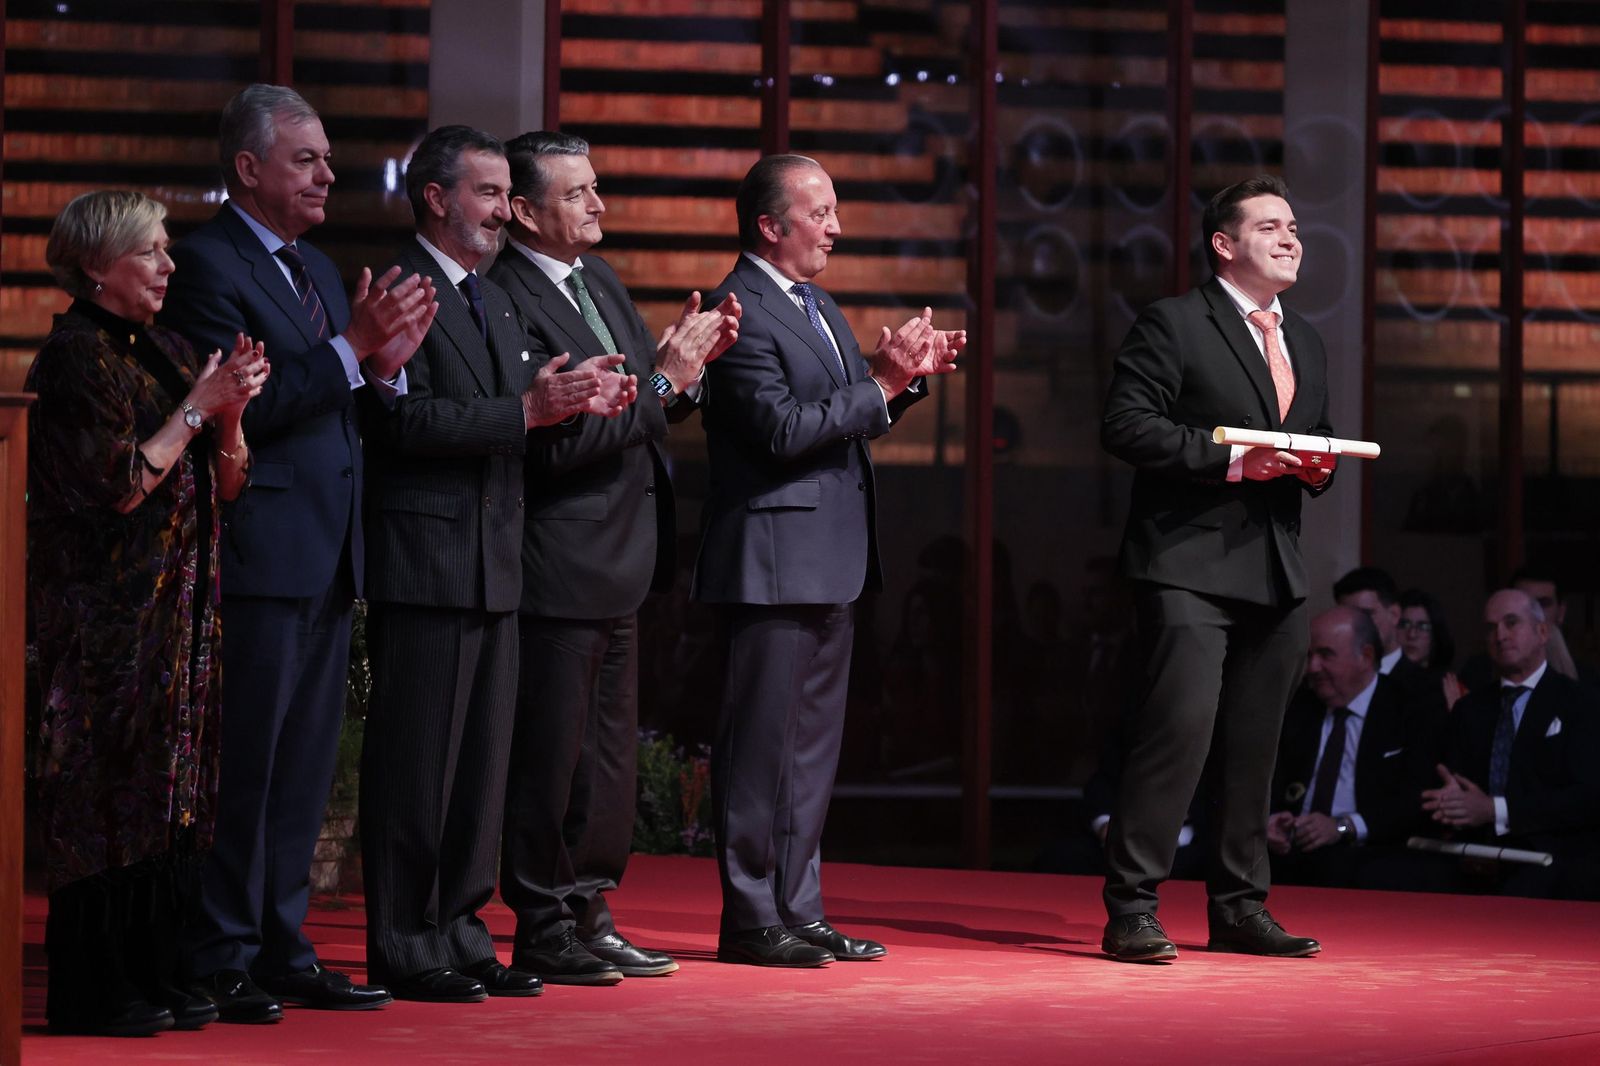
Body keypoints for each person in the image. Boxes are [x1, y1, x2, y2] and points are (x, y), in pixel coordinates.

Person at [160, 83, 435, 1022]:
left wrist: (381, 370)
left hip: (329, 549)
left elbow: (338, 395)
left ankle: (283, 942)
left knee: (305, 767)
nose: (328, 174)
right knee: (248, 764)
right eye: (305, 159)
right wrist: (355, 349)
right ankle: (222, 950)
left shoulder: (316, 265)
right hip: (261, 549)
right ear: (248, 169)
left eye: (326, 158)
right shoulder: (206, 267)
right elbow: (243, 409)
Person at [357, 125, 632, 1004]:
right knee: (418, 766)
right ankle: (406, 939)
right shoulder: (404, 288)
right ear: (436, 198)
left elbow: (524, 412)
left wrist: (580, 399)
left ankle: (463, 929)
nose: (497, 211)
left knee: (479, 765)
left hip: (499, 558)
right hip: (428, 558)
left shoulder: (490, 297)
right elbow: (403, 423)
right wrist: (528, 412)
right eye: (484, 193)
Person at [692, 153, 963, 966]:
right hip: (771, 557)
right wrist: (879, 380)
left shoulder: (814, 303)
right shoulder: (736, 310)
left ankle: (798, 907)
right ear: (771, 226)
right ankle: (749, 916)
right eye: (821, 214)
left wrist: (904, 383)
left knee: (810, 751)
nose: (836, 229)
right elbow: (781, 429)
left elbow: (850, 415)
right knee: (760, 749)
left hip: (830, 555)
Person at [486, 130, 740, 984]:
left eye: (597, 188)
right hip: (558, 556)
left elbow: (641, 405)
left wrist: (687, 370)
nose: (598, 204)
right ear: (524, 210)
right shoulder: (507, 294)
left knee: (605, 757)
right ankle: (540, 918)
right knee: (549, 755)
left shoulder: (596, 279)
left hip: (623, 555)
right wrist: (665, 385)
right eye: (578, 192)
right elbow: (555, 442)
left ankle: (590, 905)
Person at [28, 190, 267, 1035]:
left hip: (181, 619)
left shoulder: (166, 348)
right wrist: (198, 409)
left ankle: (161, 971)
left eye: (167, 250)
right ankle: (95, 990)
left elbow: (226, 483)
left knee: (174, 799)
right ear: (97, 265)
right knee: (106, 800)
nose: (170, 266)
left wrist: (229, 416)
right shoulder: (74, 358)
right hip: (104, 627)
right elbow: (119, 486)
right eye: (151, 253)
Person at [1099, 174, 1334, 963]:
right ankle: (1132, 904)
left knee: (1255, 745)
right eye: (1270, 226)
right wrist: (1232, 460)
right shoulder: (1174, 322)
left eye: (1294, 226)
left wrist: (1316, 465)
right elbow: (1128, 425)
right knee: (1179, 734)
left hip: (1276, 567)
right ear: (1224, 244)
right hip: (1188, 563)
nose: (1291, 237)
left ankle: (1239, 904)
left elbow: (1315, 431)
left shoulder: (1303, 337)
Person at [1422, 588, 1600, 900]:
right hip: (1473, 850)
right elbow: (1453, 776)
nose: (1500, 635)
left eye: (1511, 623)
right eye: (1491, 628)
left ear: (1542, 631)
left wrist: (1494, 809)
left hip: (1549, 852)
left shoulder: (1581, 702)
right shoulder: (1471, 708)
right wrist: (1449, 800)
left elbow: (1586, 796)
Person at [1267, 608, 1441, 889]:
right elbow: (1269, 775)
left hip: (1371, 848)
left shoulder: (1411, 708)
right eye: (1310, 655)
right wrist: (1271, 820)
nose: (1312, 667)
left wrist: (1343, 826)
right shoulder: (1299, 706)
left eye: (1326, 655)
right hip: (1292, 847)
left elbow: (1416, 797)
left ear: (1367, 656)